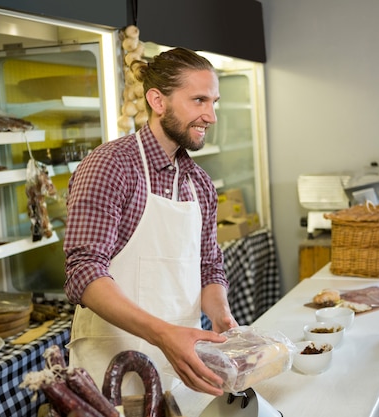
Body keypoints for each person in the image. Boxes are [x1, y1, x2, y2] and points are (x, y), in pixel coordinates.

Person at [63, 47, 238, 397]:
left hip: (180, 372)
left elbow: (208, 267)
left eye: (214, 102)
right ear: (158, 101)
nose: (211, 116)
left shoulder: (199, 183)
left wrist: (221, 315)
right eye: (199, 100)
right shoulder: (111, 165)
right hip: (111, 378)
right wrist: (162, 333)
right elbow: (84, 271)